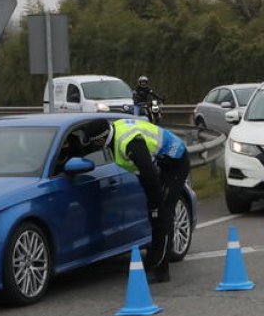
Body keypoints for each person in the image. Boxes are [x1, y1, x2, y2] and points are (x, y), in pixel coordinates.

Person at [80, 116, 188, 283]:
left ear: (101, 139)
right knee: (154, 215)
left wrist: (156, 201)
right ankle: (154, 259)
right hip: (159, 163)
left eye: (94, 144)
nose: (94, 148)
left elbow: (149, 173)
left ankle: (161, 269)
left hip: (175, 161)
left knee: (161, 215)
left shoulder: (128, 142)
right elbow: (144, 172)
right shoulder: (114, 134)